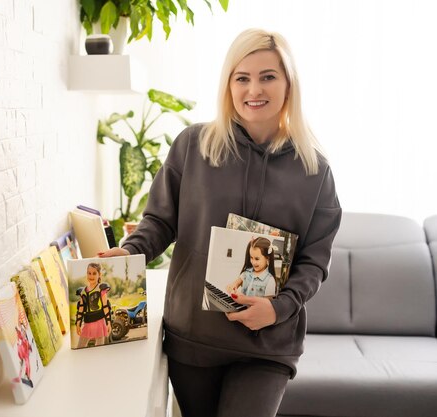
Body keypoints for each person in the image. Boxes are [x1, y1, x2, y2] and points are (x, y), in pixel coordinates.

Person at [98, 28, 342, 417]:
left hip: (268, 344)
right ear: (228, 84)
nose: (253, 89)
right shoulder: (194, 146)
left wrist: (278, 308)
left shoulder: (315, 170)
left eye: (268, 76)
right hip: (193, 338)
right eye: (241, 77)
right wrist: (128, 252)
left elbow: (314, 263)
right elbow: (159, 222)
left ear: (289, 84)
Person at [74, 262, 112, 348]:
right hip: (87, 322)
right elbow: (81, 308)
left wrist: (108, 322)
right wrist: (78, 322)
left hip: (100, 322)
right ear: (86, 273)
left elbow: (106, 307)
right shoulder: (83, 291)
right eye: (89, 273)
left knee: (99, 348)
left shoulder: (101, 289)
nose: (91, 276)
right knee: (80, 346)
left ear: (99, 274)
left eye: (94, 273)